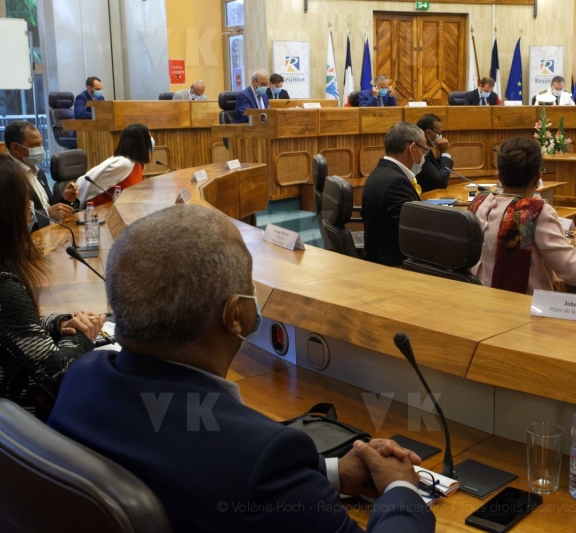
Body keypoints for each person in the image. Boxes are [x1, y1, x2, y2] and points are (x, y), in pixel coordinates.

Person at [47, 204, 434, 533]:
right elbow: (245, 470)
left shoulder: (83, 376)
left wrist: (330, 472)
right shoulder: (261, 458)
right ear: (235, 315)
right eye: (249, 286)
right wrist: (401, 491)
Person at [0, 154, 104, 419]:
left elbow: (16, 328)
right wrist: (83, 336)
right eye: (25, 202)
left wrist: (60, 324)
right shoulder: (4, 287)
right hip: (22, 422)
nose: (30, 209)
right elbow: (60, 373)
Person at [468, 137, 576, 294]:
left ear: (498, 176)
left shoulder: (479, 204)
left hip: (477, 299)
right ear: (538, 177)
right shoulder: (535, 213)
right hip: (522, 306)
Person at [362, 122, 425, 266]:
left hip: (377, 260)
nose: (423, 156)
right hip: (393, 267)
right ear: (412, 148)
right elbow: (415, 233)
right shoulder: (396, 182)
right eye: (423, 150)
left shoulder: (381, 172)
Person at [5, 121, 77, 226]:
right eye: (34, 145)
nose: (40, 149)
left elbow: (49, 208)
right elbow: (11, 221)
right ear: (16, 148)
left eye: (40, 144)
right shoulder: (6, 177)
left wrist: (65, 200)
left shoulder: (39, 173)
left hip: (52, 232)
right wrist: (47, 214)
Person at [75, 123, 152, 207]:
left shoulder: (138, 163)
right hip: (101, 209)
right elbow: (86, 180)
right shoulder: (123, 163)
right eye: (149, 138)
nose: (151, 141)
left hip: (125, 207)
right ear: (141, 142)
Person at [415, 113, 453, 193]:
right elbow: (441, 182)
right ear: (428, 133)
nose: (440, 137)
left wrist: (442, 155)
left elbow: (435, 170)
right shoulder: (420, 153)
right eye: (438, 133)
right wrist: (445, 153)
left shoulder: (426, 149)